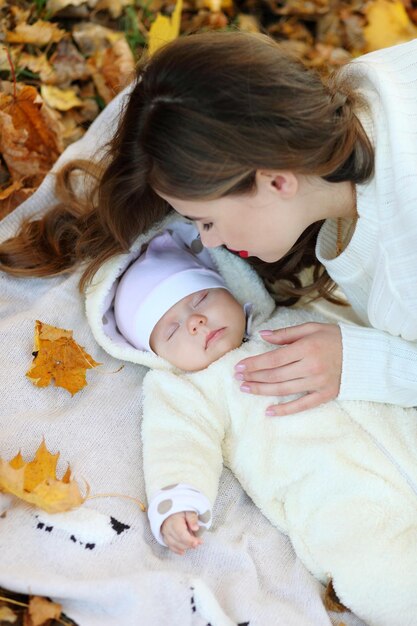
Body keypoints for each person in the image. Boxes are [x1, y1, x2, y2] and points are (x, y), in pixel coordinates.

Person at [1, 31, 416, 413]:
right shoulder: (368, 87)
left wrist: (369, 363)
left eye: (206, 221)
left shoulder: (402, 272)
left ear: (275, 181)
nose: (209, 241)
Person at [86, 220, 417, 626]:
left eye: (201, 298)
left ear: (230, 287)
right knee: (381, 575)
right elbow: (176, 441)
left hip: (406, 436)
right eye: (171, 329)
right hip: (337, 501)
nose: (195, 322)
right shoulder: (187, 389)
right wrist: (179, 499)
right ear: (155, 355)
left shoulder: (294, 317)